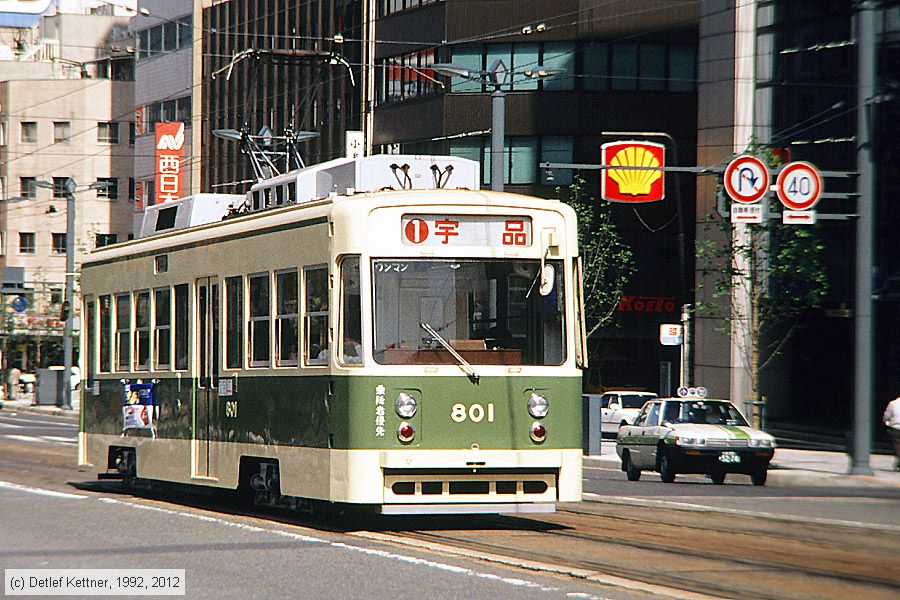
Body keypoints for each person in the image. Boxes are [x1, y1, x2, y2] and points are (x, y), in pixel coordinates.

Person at [883, 396, 900, 472]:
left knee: (897, 446)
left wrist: (885, 420)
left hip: (896, 428)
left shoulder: (893, 403)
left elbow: (887, 415)